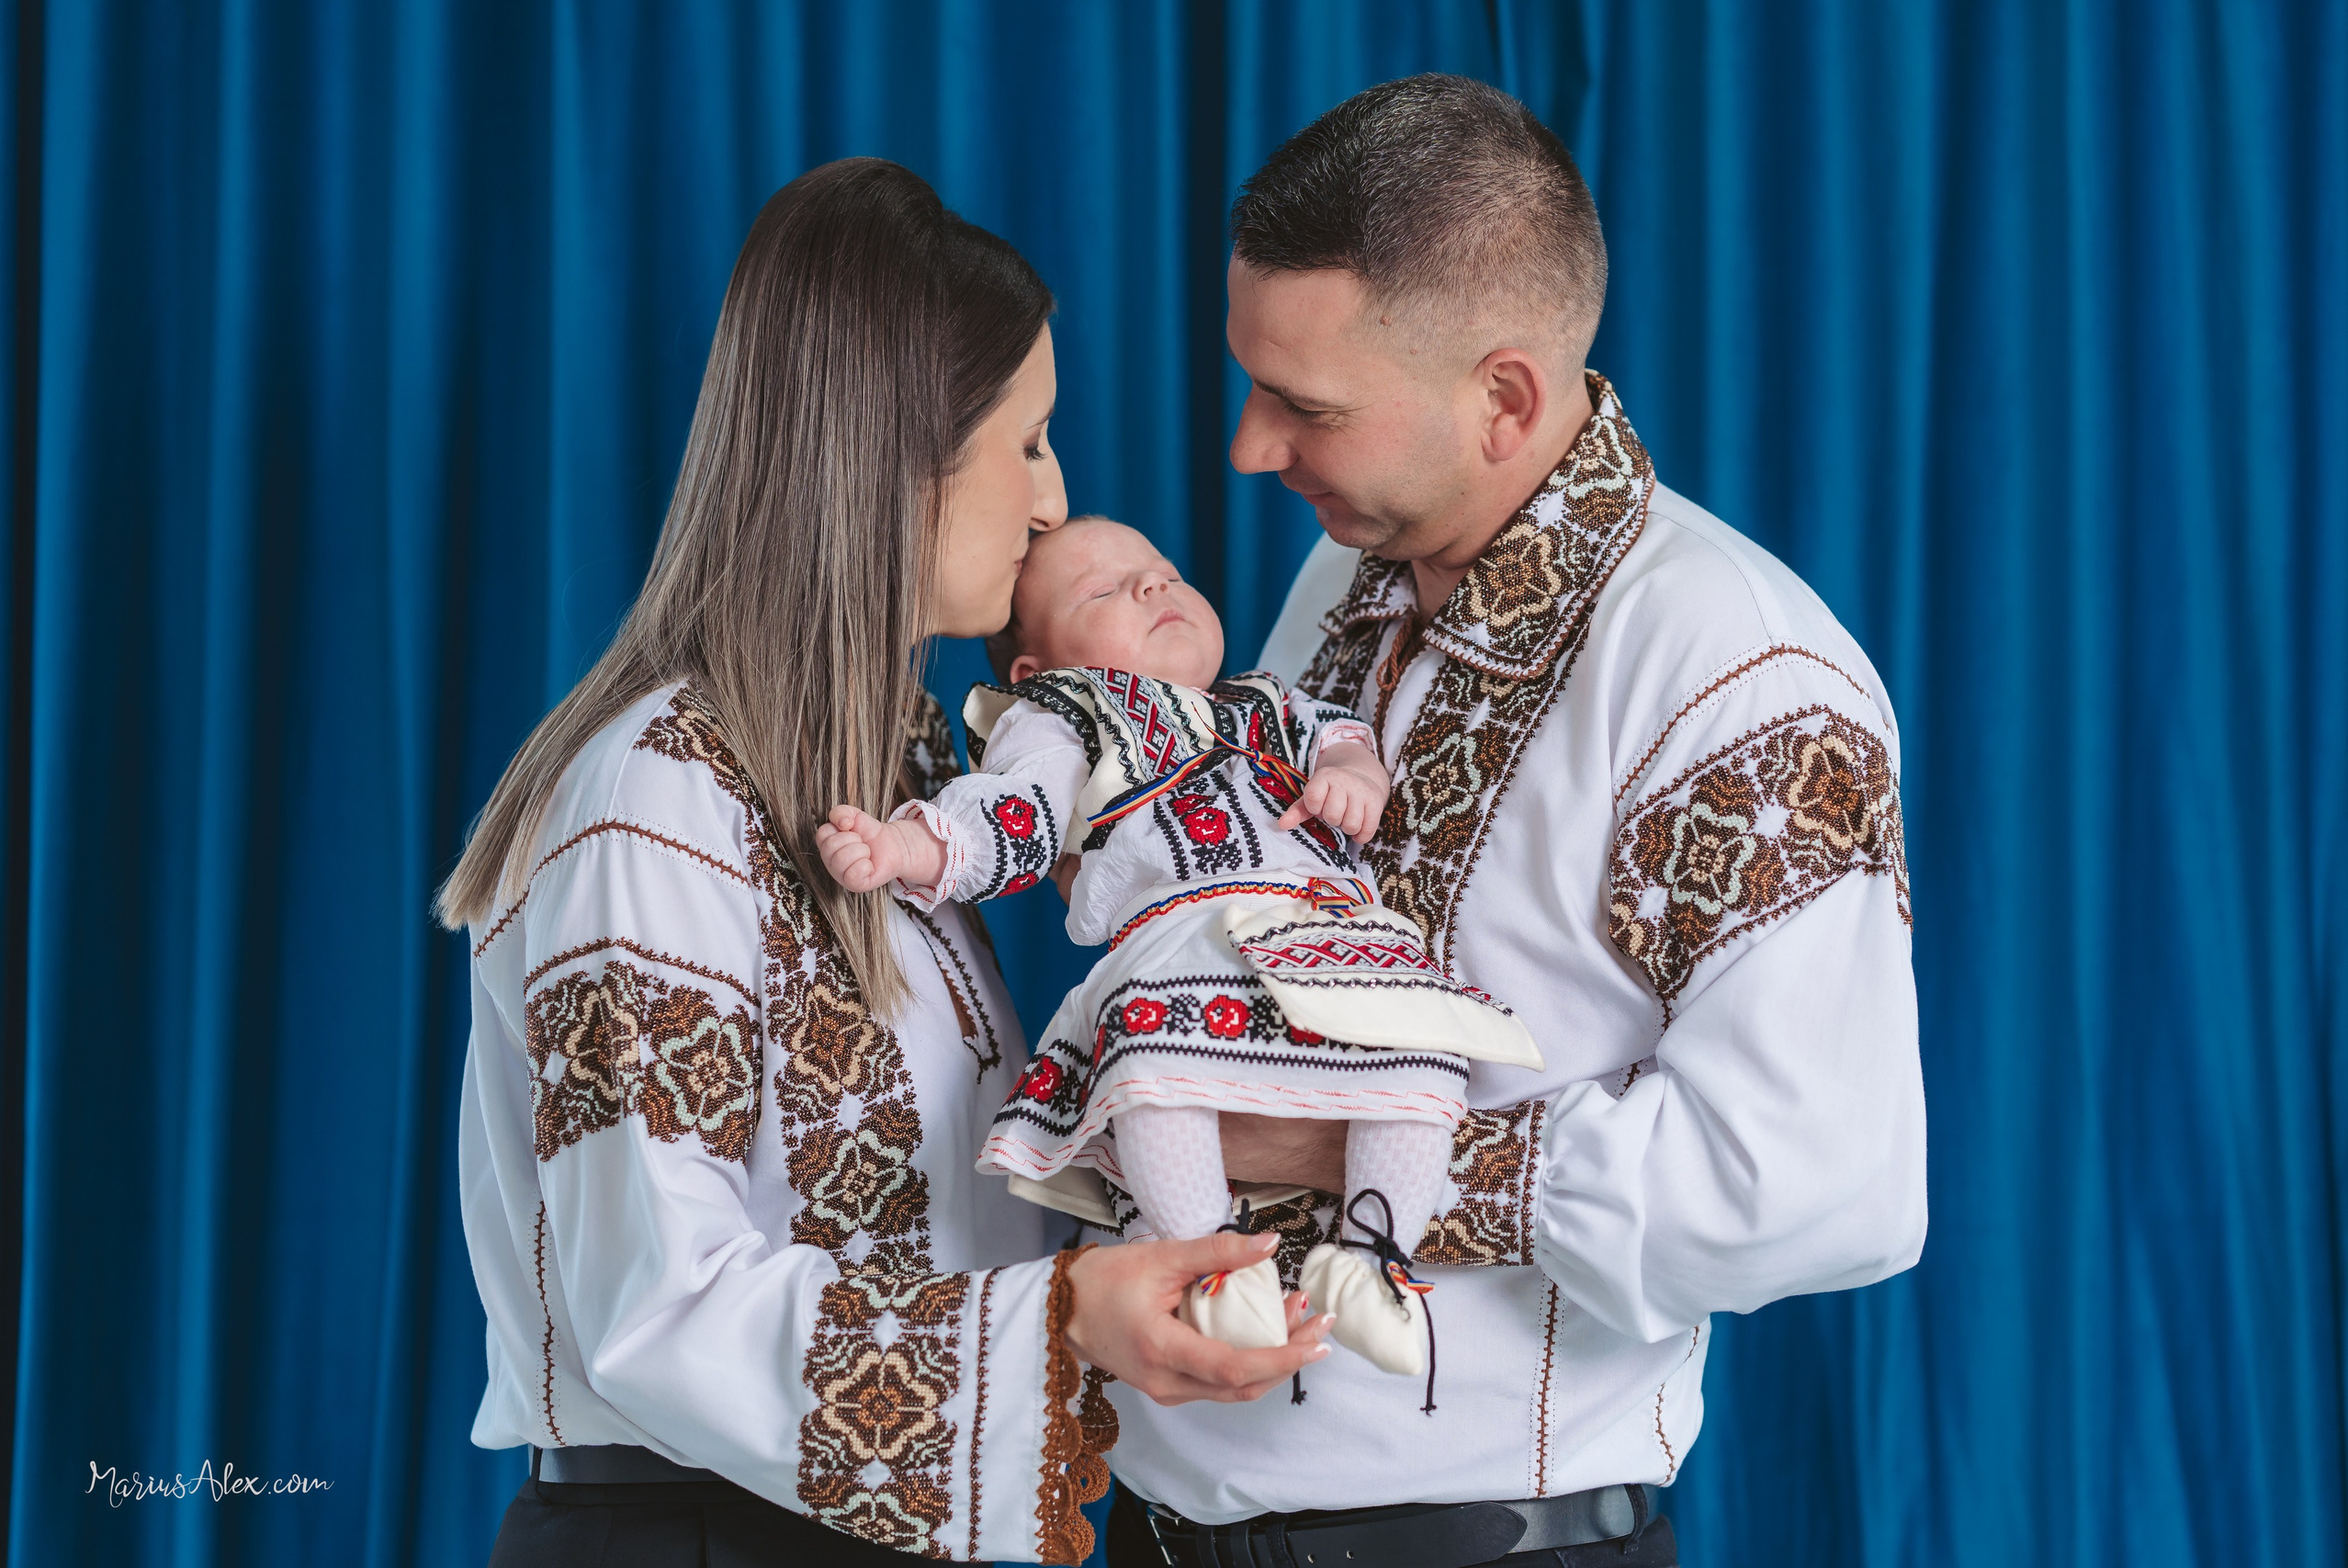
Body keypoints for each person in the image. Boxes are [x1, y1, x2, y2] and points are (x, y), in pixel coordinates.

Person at [443, 158, 1331, 1568]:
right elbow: (648, 1298)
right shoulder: (653, 799)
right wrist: (1069, 1316)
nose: (1054, 502)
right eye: (1028, 441)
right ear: (901, 452)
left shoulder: (903, 781)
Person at [1100, 76, 1927, 1568]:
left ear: (1507, 399)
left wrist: (1359, 1150)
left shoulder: (1736, 674)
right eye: (1252, 386)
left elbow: (1824, 1178)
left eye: (1305, 406)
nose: (1245, 450)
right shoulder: (1331, 593)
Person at [815, 516, 1540, 1390]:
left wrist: (1358, 775)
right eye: (1104, 590)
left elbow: (1347, 738)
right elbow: (1015, 814)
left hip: (1329, 932)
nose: (1152, 587)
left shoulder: (1271, 701)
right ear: (1036, 672)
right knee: (1155, 1072)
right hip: (1181, 938)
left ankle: (1370, 1256)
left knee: (1422, 1059)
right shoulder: (1066, 714)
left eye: (1160, 570)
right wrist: (912, 849)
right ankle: (1210, 1261)